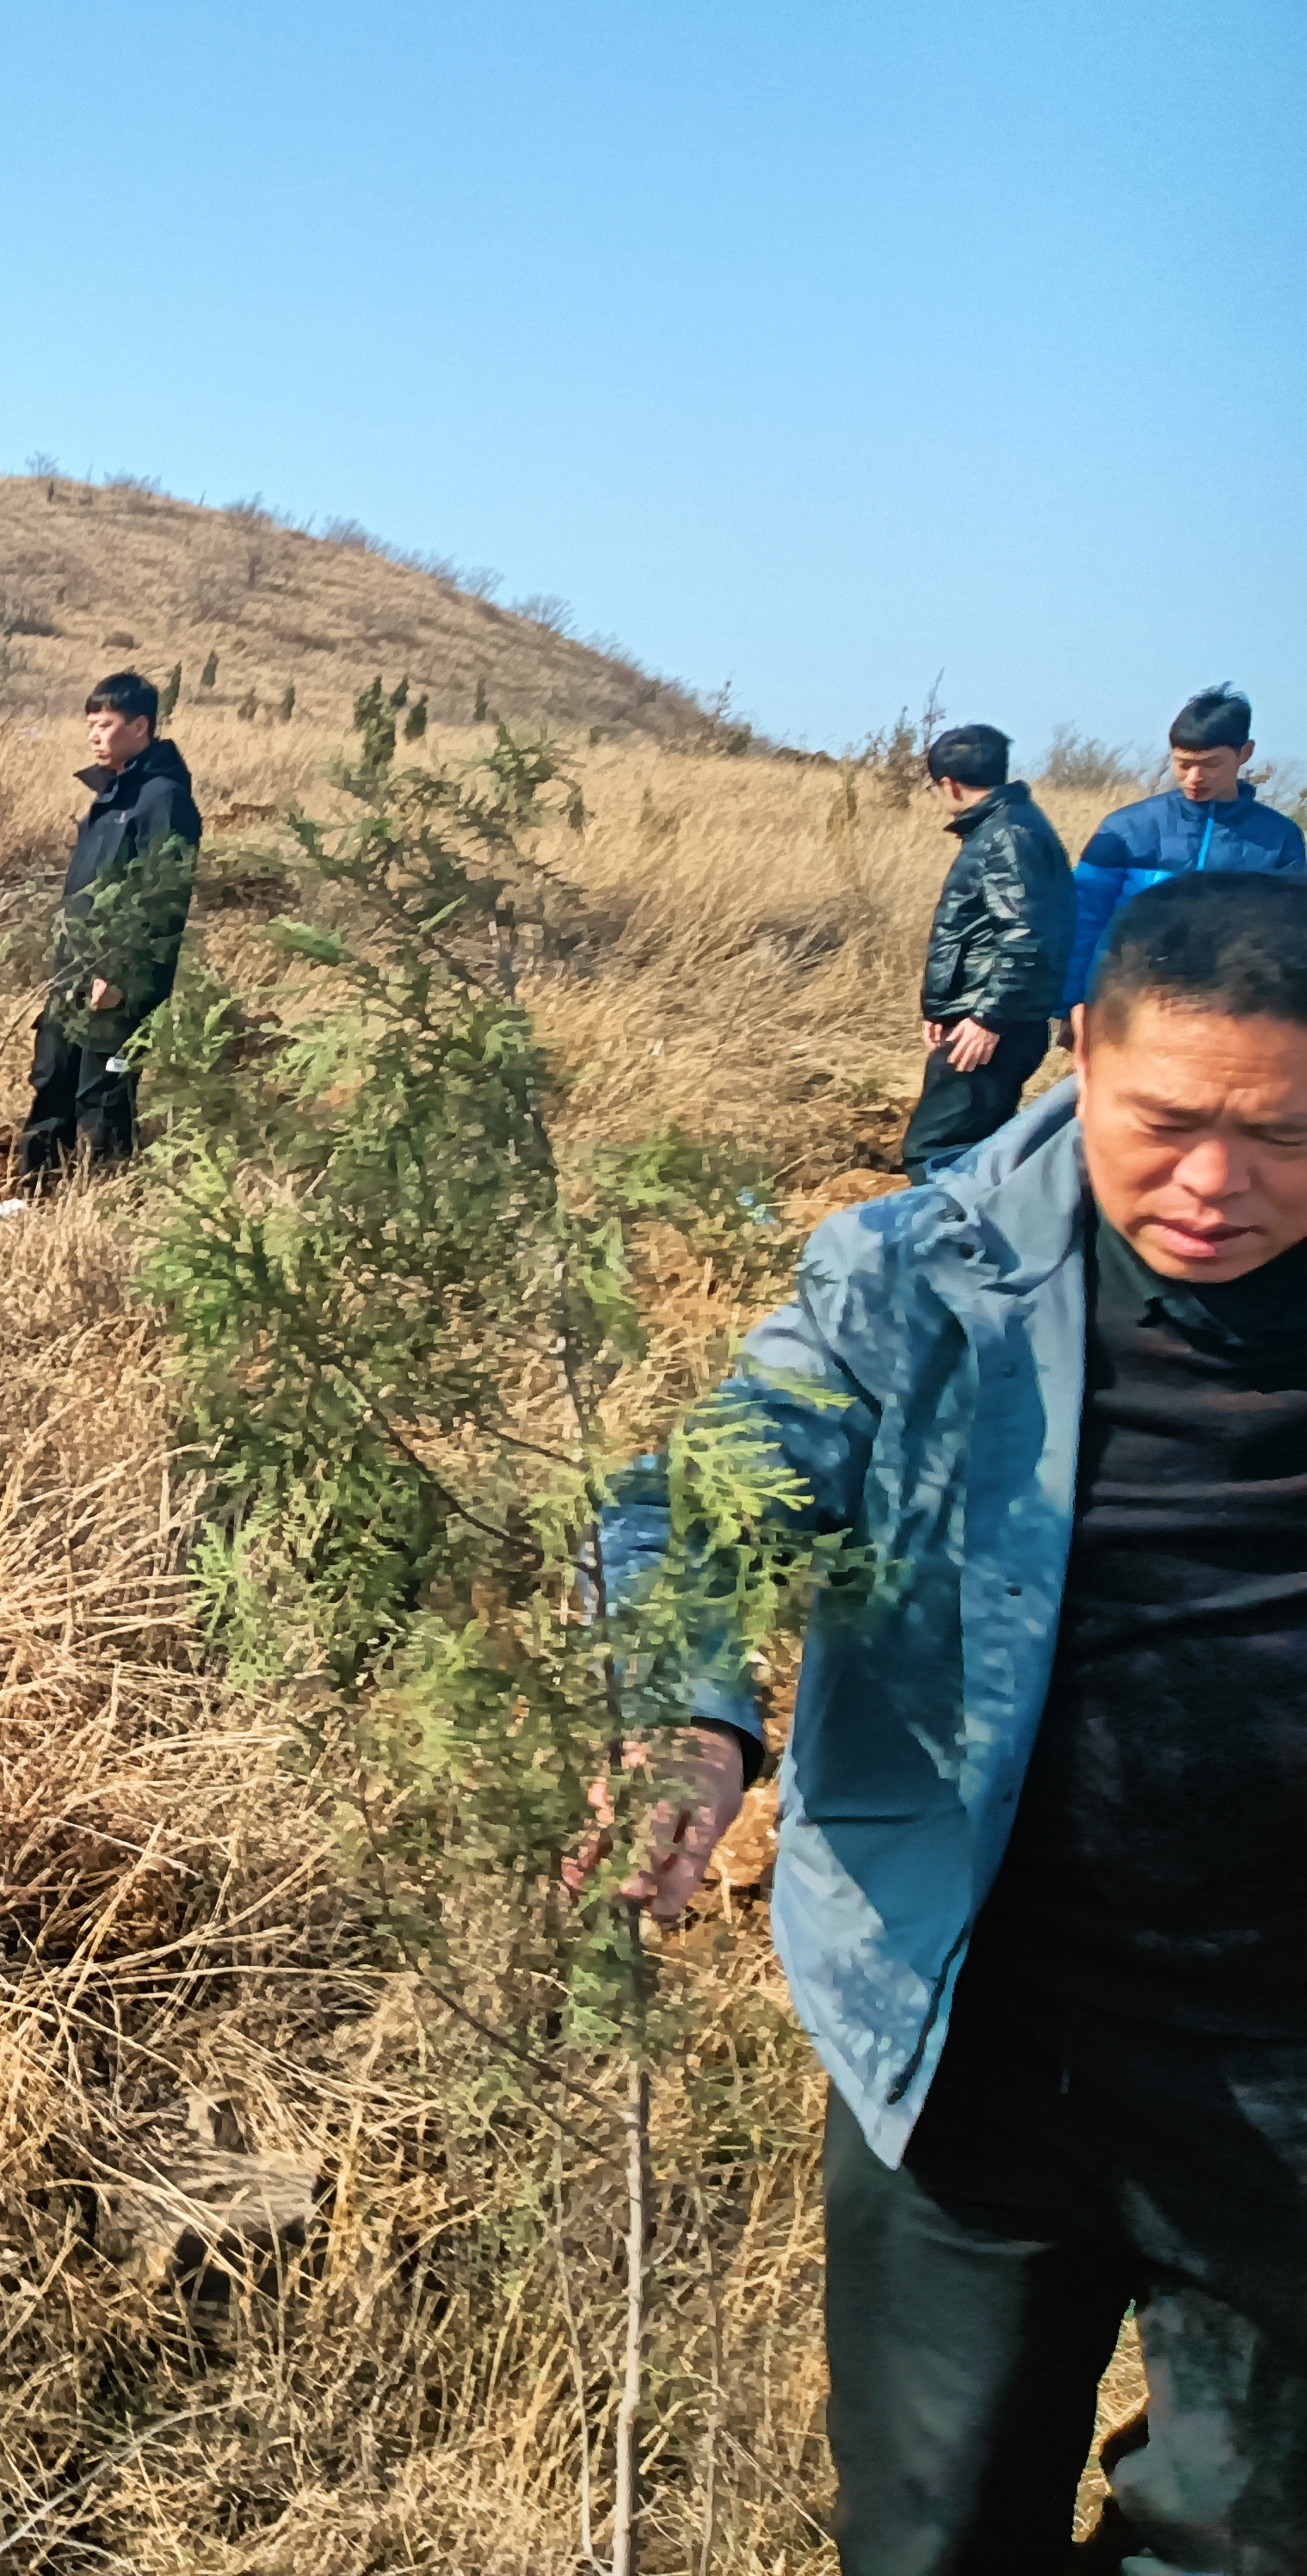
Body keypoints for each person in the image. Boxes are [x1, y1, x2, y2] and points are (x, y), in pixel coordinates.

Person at [595, 870, 1307, 2573]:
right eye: (1165, 1121)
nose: (1213, 1183)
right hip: (977, 2038)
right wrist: (693, 1717)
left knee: (1249, 2539)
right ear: (1075, 1050)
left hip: (1285, 2068)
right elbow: (698, 1495)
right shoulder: (915, 1274)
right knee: (931, 2536)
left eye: (1279, 1135)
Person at [19, 673, 200, 1181]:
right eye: (91, 726)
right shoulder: (114, 795)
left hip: (118, 979)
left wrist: (122, 975)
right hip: (75, 968)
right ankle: (35, 1192)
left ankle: (106, 1196)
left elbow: (163, 897)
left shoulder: (162, 798)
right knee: (52, 1075)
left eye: (105, 725)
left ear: (140, 726)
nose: (94, 736)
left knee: (103, 1091)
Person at [903, 722, 1071, 1181]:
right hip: (985, 1017)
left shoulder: (1006, 836)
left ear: (948, 784)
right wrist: (941, 1006)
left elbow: (1028, 932)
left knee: (936, 1151)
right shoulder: (1009, 826)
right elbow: (976, 930)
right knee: (969, 1147)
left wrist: (989, 1018)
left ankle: (948, 1245)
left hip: (991, 1027)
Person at [1063, 685, 1302, 1008]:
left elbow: (1289, 937)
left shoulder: (1279, 839)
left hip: (1234, 1009)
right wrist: (1072, 1003)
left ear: (1245, 753)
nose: (1194, 777)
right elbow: (1085, 919)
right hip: (1130, 1004)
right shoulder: (1126, 829)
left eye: (1211, 763)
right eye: (1183, 763)